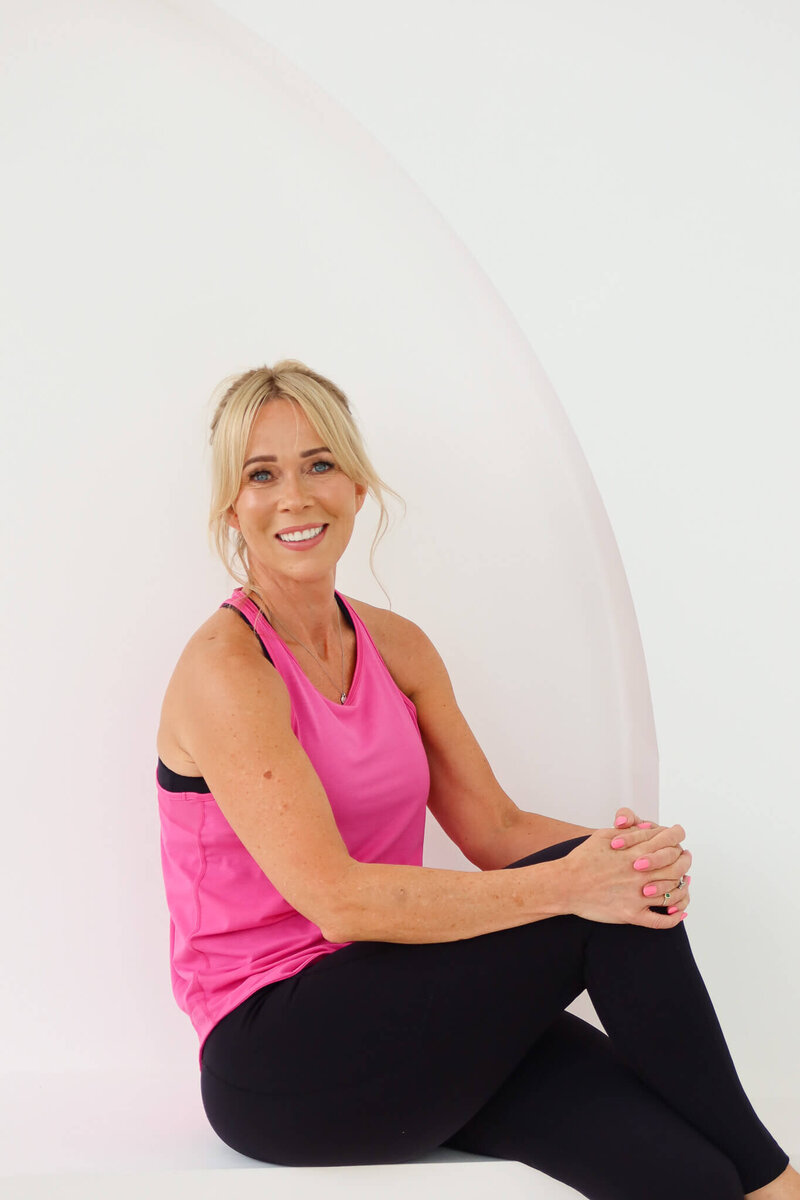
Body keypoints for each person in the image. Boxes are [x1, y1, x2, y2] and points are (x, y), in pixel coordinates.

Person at [156, 360, 797, 1200]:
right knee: (599, 911)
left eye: (319, 464)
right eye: (261, 474)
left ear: (356, 484)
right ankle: (781, 1182)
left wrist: (627, 853)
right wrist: (580, 881)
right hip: (276, 1058)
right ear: (231, 506)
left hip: (407, 1017)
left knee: (689, 1175)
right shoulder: (226, 671)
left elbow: (493, 829)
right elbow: (339, 901)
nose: (295, 497)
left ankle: (749, 1179)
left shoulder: (398, 647)